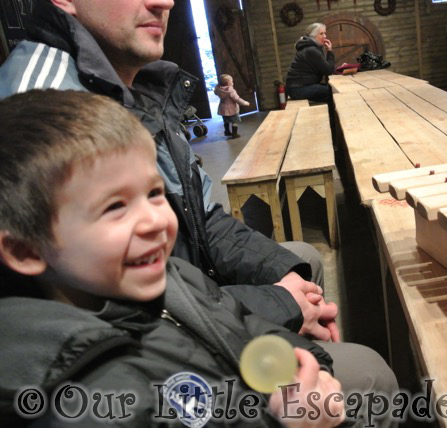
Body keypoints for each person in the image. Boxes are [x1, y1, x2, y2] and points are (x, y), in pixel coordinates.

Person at [0, 0, 397, 403]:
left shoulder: (132, 82)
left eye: (153, 195)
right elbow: (121, 326)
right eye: (115, 207)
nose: (165, 2)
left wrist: (287, 286)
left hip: (175, 296)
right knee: (369, 375)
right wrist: (281, 305)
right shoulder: (43, 107)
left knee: (301, 260)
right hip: (144, 350)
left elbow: (199, 215)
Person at [0, 89, 345, 427]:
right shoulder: (88, 401)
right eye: (115, 206)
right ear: (26, 250)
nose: (156, 220)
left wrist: (304, 364)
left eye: (153, 193)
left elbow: (237, 324)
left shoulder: (170, 276)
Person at [285, 23, 335, 103]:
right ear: (313, 36)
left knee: (331, 89)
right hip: (298, 90)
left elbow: (326, 68)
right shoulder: (311, 50)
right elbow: (329, 71)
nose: (325, 36)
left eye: (325, 33)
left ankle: (332, 114)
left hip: (300, 88)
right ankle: (333, 115)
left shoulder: (311, 48)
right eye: (321, 34)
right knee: (333, 92)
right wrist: (330, 51)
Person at [214, 74, 250, 139]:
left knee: (226, 121)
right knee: (234, 121)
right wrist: (245, 103)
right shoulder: (231, 91)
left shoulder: (218, 89)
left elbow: (215, 92)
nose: (233, 82)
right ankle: (234, 134)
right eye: (232, 81)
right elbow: (237, 99)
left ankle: (227, 131)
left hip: (223, 108)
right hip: (232, 109)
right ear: (228, 83)